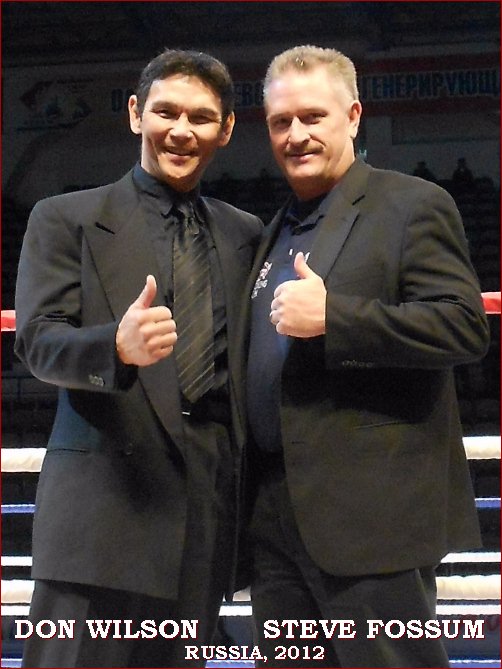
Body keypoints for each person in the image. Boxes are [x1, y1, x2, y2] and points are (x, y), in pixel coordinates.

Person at [14, 48, 262, 668]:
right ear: (135, 113)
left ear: (226, 129)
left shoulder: (245, 234)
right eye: (166, 112)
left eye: (201, 117)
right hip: (101, 513)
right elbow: (37, 341)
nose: (181, 130)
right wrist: (114, 348)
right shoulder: (65, 217)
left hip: (204, 515)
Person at [245, 45, 489, 668]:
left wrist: (337, 318)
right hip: (275, 517)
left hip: (372, 517)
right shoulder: (275, 228)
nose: (296, 135)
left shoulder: (409, 204)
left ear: (353, 116)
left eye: (313, 117)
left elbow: (463, 326)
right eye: (280, 121)